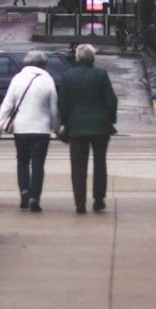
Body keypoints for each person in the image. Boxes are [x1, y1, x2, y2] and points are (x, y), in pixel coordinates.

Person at [0, 50, 60, 213]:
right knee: (38, 164)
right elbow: (54, 109)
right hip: (42, 129)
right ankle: (35, 197)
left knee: (22, 161)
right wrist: (57, 127)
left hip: (21, 128)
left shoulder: (17, 79)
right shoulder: (47, 80)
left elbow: (7, 104)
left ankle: (24, 192)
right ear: (43, 64)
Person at [57, 43, 118, 214]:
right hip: (100, 126)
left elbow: (62, 103)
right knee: (100, 163)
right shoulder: (101, 74)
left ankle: (80, 203)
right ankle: (99, 199)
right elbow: (111, 100)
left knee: (78, 166)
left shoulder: (67, 76)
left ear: (77, 57)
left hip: (76, 127)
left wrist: (65, 122)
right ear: (92, 58)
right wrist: (110, 119)